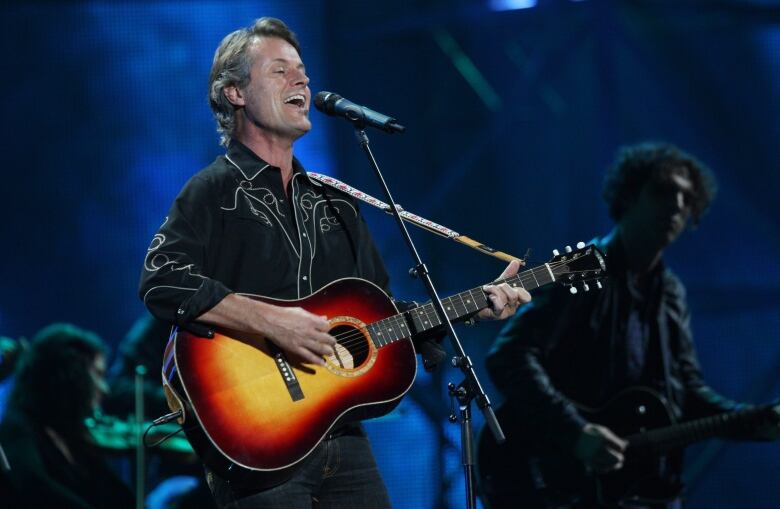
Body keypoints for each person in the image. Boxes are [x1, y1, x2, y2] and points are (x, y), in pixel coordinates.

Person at [138, 17, 530, 508]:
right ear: (234, 93)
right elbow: (163, 280)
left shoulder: (334, 201)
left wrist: (473, 307)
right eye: (279, 71)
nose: (301, 80)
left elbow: (381, 315)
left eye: (301, 70)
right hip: (259, 440)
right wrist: (276, 323)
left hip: (341, 434)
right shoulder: (213, 191)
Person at [483, 142, 780, 508]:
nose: (676, 206)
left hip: (636, 490)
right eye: (663, 191)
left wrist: (750, 421)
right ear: (629, 195)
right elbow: (509, 355)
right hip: (552, 482)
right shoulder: (583, 267)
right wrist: (575, 433)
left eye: (687, 198)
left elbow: (685, 392)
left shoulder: (670, 293)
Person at [0, 323, 135, 509]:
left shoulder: (76, 438)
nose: (105, 389)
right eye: (98, 374)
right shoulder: (17, 427)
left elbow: (120, 497)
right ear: (70, 376)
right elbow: (33, 487)